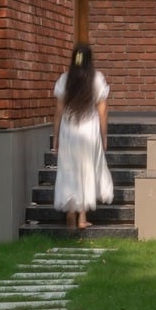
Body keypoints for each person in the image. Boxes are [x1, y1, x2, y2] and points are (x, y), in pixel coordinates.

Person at [51, 44, 111, 233]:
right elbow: (102, 111)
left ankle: (71, 212)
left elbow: (58, 111)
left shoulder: (65, 80)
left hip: (69, 129)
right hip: (89, 130)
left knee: (69, 169)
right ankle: (82, 217)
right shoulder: (96, 79)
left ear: (74, 59)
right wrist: (104, 135)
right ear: (89, 59)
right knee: (87, 170)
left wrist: (55, 137)